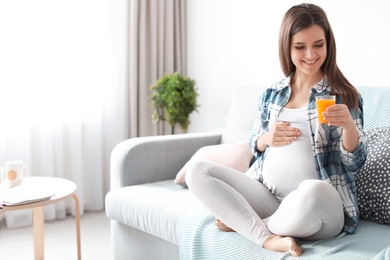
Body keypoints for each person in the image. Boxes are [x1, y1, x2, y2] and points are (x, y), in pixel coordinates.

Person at [185, 3, 367, 257]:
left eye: (318, 45)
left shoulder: (344, 95)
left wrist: (348, 126)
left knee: (313, 190)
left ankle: (248, 223)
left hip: (320, 206)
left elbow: (354, 162)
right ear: (286, 47)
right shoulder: (272, 93)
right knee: (198, 169)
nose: (310, 55)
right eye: (300, 47)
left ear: (328, 44)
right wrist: (265, 139)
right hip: (268, 195)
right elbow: (254, 148)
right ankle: (268, 238)